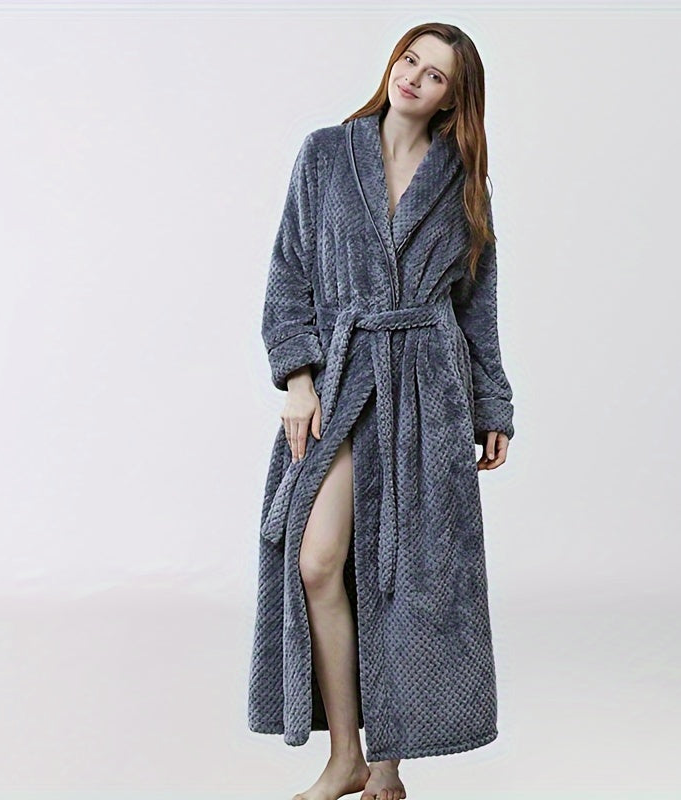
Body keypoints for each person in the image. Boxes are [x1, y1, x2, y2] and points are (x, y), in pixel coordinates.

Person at [248, 22, 516, 800]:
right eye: (410, 60)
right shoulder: (326, 155)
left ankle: (386, 767)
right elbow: (290, 271)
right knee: (317, 560)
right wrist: (298, 378)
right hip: (342, 381)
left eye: (435, 76)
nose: (414, 78)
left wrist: (491, 403)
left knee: (401, 578)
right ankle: (345, 755)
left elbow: (476, 306)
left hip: (428, 393)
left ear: (452, 100)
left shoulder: (463, 184)